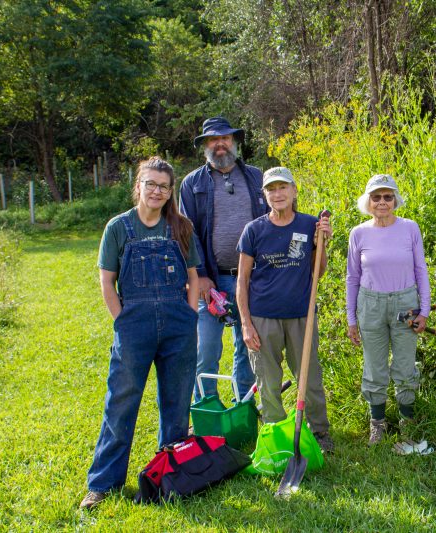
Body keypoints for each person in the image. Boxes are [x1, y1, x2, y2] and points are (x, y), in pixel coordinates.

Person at [81, 157, 200, 509]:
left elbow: (192, 275)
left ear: (170, 191)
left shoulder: (180, 226)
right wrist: (123, 321)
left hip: (179, 325)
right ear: (139, 185)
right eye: (150, 184)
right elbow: (106, 280)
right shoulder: (119, 227)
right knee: (122, 402)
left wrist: (190, 314)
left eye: (163, 186)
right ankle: (104, 483)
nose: (156, 191)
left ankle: (170, 476)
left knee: (177, 404)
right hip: (134, 326)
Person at [235, 167, 335, 452]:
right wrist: (245, 323)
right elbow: (242, 281)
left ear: (293, 191)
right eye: (271, 189)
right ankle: (276, 434)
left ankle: (319, 433)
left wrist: (321, 244)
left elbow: (319, 272)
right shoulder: (253, 230)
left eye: (283, 188)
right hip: (262, 316)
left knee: (310, 376)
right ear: (264, 194)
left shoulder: (309, 225)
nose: (277, 194)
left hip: (301, 315)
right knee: (267, 380)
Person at [179, 117, 269, 403]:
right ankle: (207, 409)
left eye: (225, 138)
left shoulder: (257, 177)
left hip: (251, 279)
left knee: (247, 348)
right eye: (213, 140)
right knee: (205, 350)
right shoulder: (192, 183)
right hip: (211, 282)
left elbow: (273, 222)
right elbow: (186, 232)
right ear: (205, 145)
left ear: (235, 141)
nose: (220, 144)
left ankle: (243, 407)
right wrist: (200, 274)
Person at [346, 174, 431, 445]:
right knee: (374, 366)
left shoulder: (410, 228)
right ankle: (378, 424)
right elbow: (352, 278)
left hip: (405, 304)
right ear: (368, 201)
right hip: (370, 305)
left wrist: (424, 311)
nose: (382, 202)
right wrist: (351, 318)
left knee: (405, 365)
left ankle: (407, 422)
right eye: (376, 197)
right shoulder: (358, 233)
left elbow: (421, 270)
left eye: (387, 196)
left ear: (395, 200)